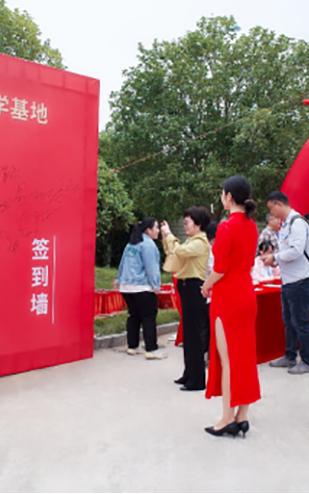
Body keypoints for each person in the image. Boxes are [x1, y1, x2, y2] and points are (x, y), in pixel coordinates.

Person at [201, 176, 260, 437]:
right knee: (245, 357)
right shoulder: (252, 226)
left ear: (228, 196)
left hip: (228, 298)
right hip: (247, 295)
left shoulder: (226, 228)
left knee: (227, 360)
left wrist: (206, 285)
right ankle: (242, 415)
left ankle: (226, 418)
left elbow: (221, 269)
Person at [263, 191, 309, 375]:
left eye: (272, 208)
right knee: (289, 321)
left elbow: (296, 251)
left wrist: (275, 257)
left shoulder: (297, 223)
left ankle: (307, 360)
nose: (272, 213)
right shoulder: (285, 225)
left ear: (279, 204)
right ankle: (290, 355)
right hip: (288, 280)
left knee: (300, 321)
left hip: (300, 280)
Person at [162, 207, 211, 391]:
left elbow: (179, 252)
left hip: (193, 287)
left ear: (198, 224)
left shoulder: (201, 242)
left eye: (188, 221)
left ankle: (197, 380)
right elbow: (175, 253)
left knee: (195, 335)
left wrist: (169, 234)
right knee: (189, 335)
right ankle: (189, 374)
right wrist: (168, 238)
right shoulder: (193, 241)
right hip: (186, 287)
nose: (185, 224)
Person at [114, 217, 164, 359]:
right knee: (149, 318)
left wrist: (119, 280)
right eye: (156, 228)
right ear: (149, 230)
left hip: (126, 287)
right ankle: (151, 349)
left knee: (134, 316)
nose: (158, 231)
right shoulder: (148, 245)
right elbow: (151, 268)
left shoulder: (131, 244)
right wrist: (156, 285)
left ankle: (132, 346)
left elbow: (122, 263)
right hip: (142, 287)